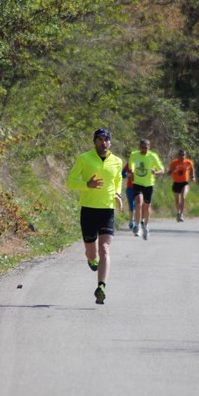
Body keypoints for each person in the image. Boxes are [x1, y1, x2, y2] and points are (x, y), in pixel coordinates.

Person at [67, 128, 123, 304]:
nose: (103, 142)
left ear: (110, 142)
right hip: (89, 210)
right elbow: (70, 182)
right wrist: (87, 185)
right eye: (100, 139)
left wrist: (118, 195)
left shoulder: (116, 161)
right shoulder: (84, 159)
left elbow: (117, 180)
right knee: (93, 254)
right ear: (94, 142)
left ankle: (101, 286)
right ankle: (90, 258)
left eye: (106, 139)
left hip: (107, 210)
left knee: (105, 249)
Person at [128, 138, 164, 239]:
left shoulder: (153, 156)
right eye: (142, 147)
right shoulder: (134, 155)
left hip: (149, 184)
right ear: (139, 147)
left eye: (146, 148)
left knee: (147, 206)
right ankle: (137, 225)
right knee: (138, 202)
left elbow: (162, 170)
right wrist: (132, 172)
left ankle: (146, 226)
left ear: (149, 147)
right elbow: (131, 166)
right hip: (137, 183)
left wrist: (156, 172)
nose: (144, 149)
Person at [168, 149, 196, 222]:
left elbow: (192, 168)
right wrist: (172, 171)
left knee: (183, 197)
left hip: (184, 183)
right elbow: (168, 173)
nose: (182, 156)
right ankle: (178, 213)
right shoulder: (174, 163)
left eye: (183, 155)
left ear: (185, 155)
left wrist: (193, 176)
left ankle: (181, 214)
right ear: (178, 155)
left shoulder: (188, 162)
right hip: (176, 183)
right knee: (177, 200)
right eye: (180, 155)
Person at [121, 161, 135, 230]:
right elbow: (122, 174)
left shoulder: (144, 161)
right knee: (132, 205)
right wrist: (129, 175)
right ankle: (131, 221)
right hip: (130, 188)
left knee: (139, 205)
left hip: (141, 187)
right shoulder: (129, 163)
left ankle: (140, 221)